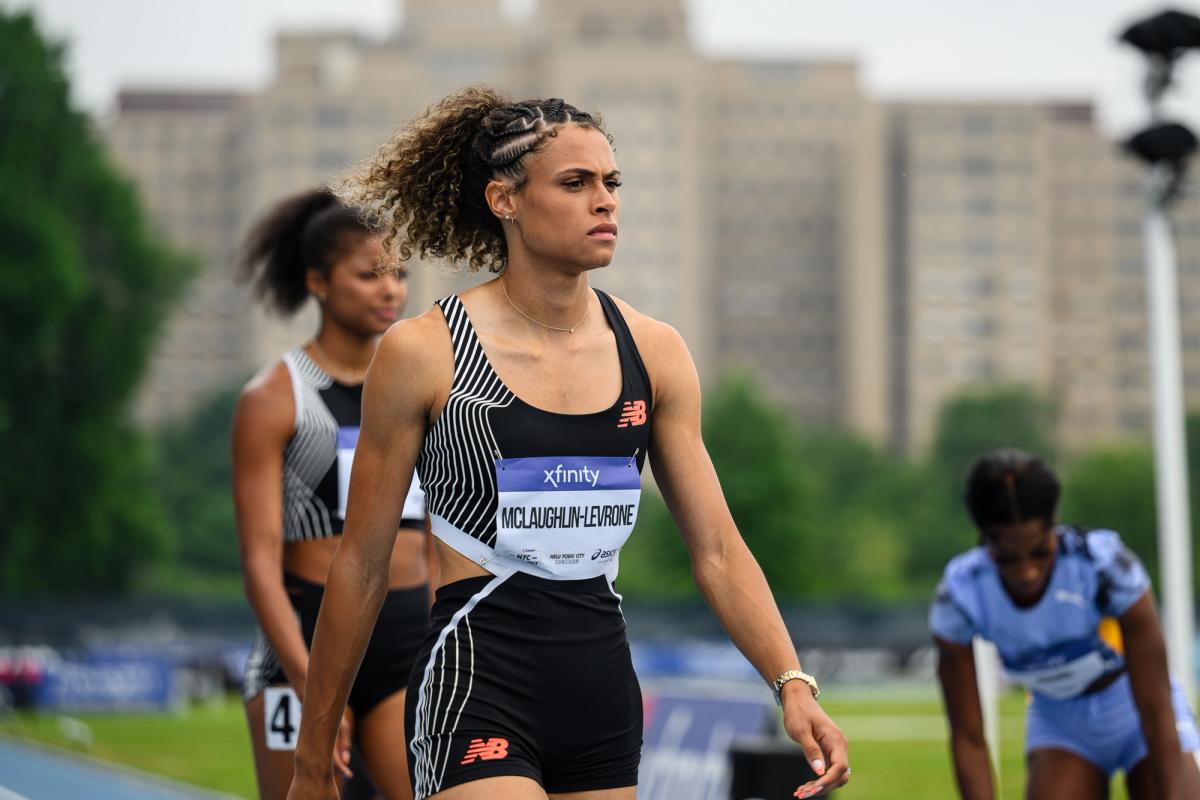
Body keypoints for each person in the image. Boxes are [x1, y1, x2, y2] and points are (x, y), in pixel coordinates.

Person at [285, 87, 849, 800]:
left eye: (612, 183)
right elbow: (360, 564)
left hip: (602, 694)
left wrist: (792, 683)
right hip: (476, 683)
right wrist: (312, 754)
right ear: (505, 200)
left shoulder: (657, 352)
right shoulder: (424, 354)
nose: (605, 201)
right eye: (576, 183)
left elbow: (717, 551)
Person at [233, 188, 434, 800]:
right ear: (319, 281)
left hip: (404, 641)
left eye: (399, 274)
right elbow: (261, 567)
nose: (390, 290)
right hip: (304, 642)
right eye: (370, 274)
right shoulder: (275, 397)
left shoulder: (419, 393)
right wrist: (310, 684)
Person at [930, 448, 1200, 799]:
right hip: (1059, 723)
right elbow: (968, 738)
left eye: (1040, 552)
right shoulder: (961, 593)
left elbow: (1156, 709)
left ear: (1054, 522)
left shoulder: (1105, 567)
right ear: (985, 539)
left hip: (1135, 708)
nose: (1026, 572)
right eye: (1008, 559)